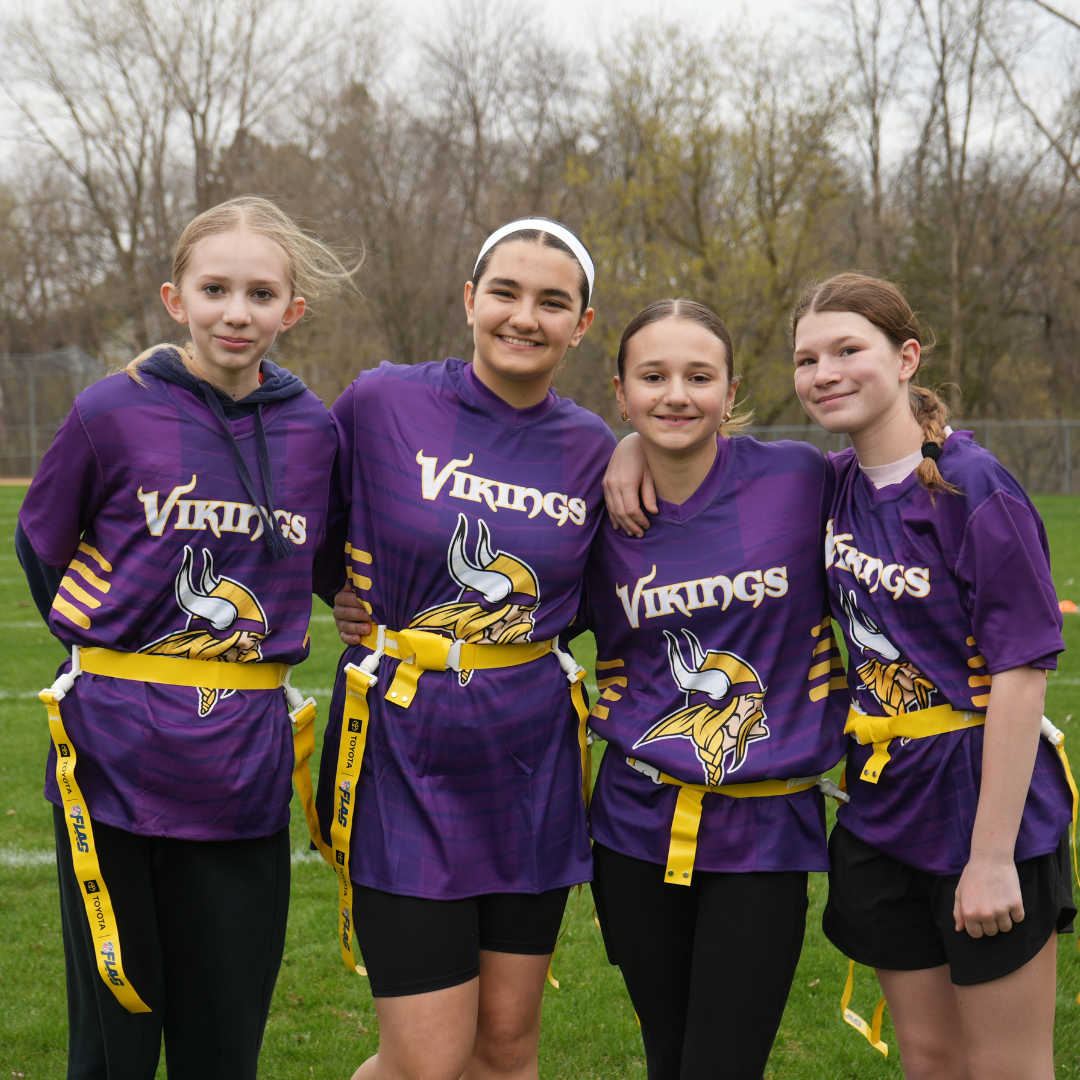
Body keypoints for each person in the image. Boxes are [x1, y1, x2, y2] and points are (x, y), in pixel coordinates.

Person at [16, 195, 351, 1080]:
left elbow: (333, 562)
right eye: (215, 289)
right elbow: (42, 546)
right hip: (114, 760)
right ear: (176, 299)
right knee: (115, 1036)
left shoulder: (316, 432)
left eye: (260, 293)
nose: (236, 313)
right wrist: (118, 654)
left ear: (293, 309)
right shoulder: (110, 411)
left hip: (241, 767)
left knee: (223, 1038)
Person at [319, 218, 615, 1080]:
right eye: (506, 294)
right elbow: (308, 521)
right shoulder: (381, 402)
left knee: (504, 1052)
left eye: (552, 303)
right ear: (469, 301)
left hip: (529, 762)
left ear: (581, 324)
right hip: (400, 752)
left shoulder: (594, 448)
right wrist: (346, 593)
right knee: (426, 1061)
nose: (525, 317)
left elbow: (604, 593)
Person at [791, 272, 1073, 1080]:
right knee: (930, 1058)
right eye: (808, 358)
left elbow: (1022, 674)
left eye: (850, 349)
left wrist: (990, 858)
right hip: (882, 807)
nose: (825, 372)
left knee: (1006, 1068)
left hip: (981, 808)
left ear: (907, 357)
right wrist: (630, 448)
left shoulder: (972, 487)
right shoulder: (832, 485)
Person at [584, 299, 849, 1080]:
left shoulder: (798, 478)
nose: (676, 395)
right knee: (668, 1056)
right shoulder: (598, 511)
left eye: (699, 377)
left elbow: (898, 496)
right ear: (621, 391)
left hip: (766, 829)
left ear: (730, 392)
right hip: (635, 828)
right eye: (653, 377)